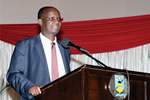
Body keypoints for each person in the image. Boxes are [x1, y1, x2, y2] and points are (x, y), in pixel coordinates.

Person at [6, 6, 70, 100]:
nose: (57, 22)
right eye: (51, 18)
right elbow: (13, 74)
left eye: (58, 19)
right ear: (40, 21)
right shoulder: (25, 46)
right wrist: (29, 87)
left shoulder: (65, 49)